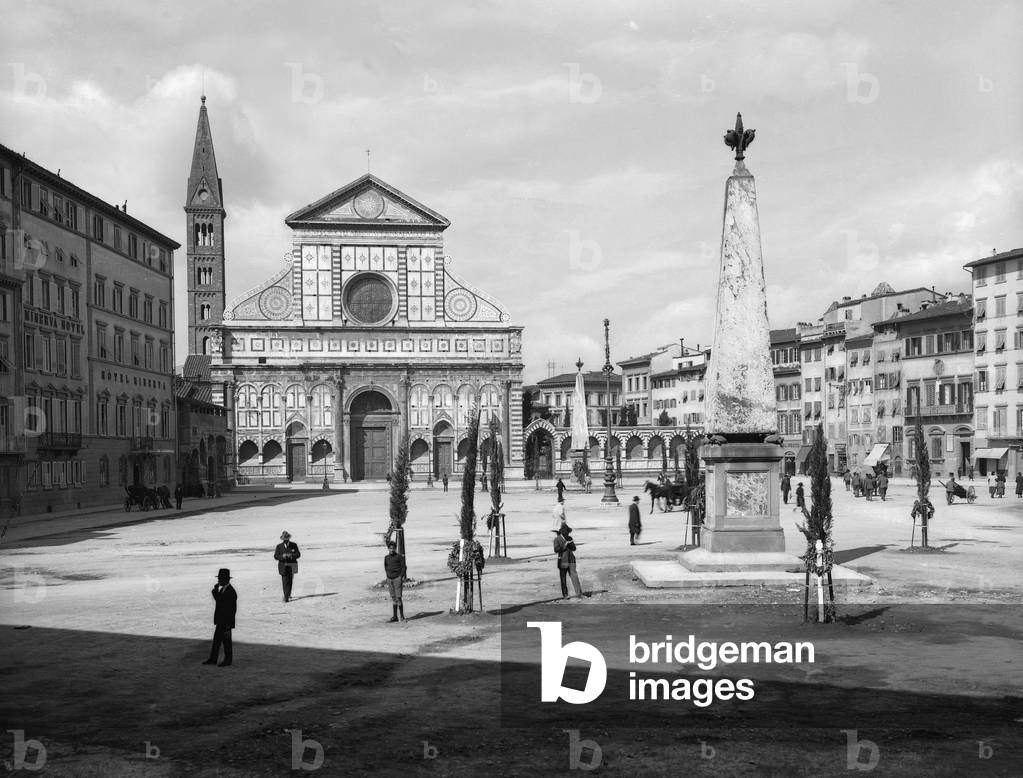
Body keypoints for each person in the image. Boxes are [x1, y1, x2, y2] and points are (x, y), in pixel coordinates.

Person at [203, 568, 236, 667]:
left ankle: (227, 661)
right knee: (217, 641)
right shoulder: (224, 589)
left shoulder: (230, 592)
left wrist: (214, 591)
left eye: (220, 579)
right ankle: (213, 659)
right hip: (221, 621)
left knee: (227, 643)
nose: (218, 581)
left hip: (226, 622)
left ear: (225, 580)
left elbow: (224, 604)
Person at [552, 524, 582, 599]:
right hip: (562, 560)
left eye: (568, 532)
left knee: (575, 577)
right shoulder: (557, 539)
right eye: (566, 532)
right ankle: (565, 595)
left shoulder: (569, 538)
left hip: (571, 560)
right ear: (562, 532)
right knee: (563, 579)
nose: (568, 534)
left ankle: (579, 594)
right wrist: (565, 545)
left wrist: (570, 544)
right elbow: (556, 550)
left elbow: (574, 548)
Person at [274, 531, 301, 603]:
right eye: (284, 539)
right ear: (282, 539)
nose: (286, 540)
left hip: (292, 565)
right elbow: (276, 556)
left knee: (290, 581)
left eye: (287, 538)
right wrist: (282, 556)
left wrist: (291, 555)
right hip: (283, 566)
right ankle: (286, 596)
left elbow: (298, 554)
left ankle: (288, 594)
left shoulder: (294, 545)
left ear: (289, 538)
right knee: (285, 581)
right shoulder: (279, 546)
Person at [384, 540, 407, 622]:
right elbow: (386, 566)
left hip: (397, 578)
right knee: (393, 598)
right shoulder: (386, 558)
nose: (391, 550)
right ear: (388, 549)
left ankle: (402, 616)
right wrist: (388, 575)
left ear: (395, 549)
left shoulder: (399, 557)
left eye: (393, 548)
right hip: (389, 579)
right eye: (390, 548)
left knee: (399, 598)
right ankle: (395, 617)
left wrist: (401, 576)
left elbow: (404, 567)